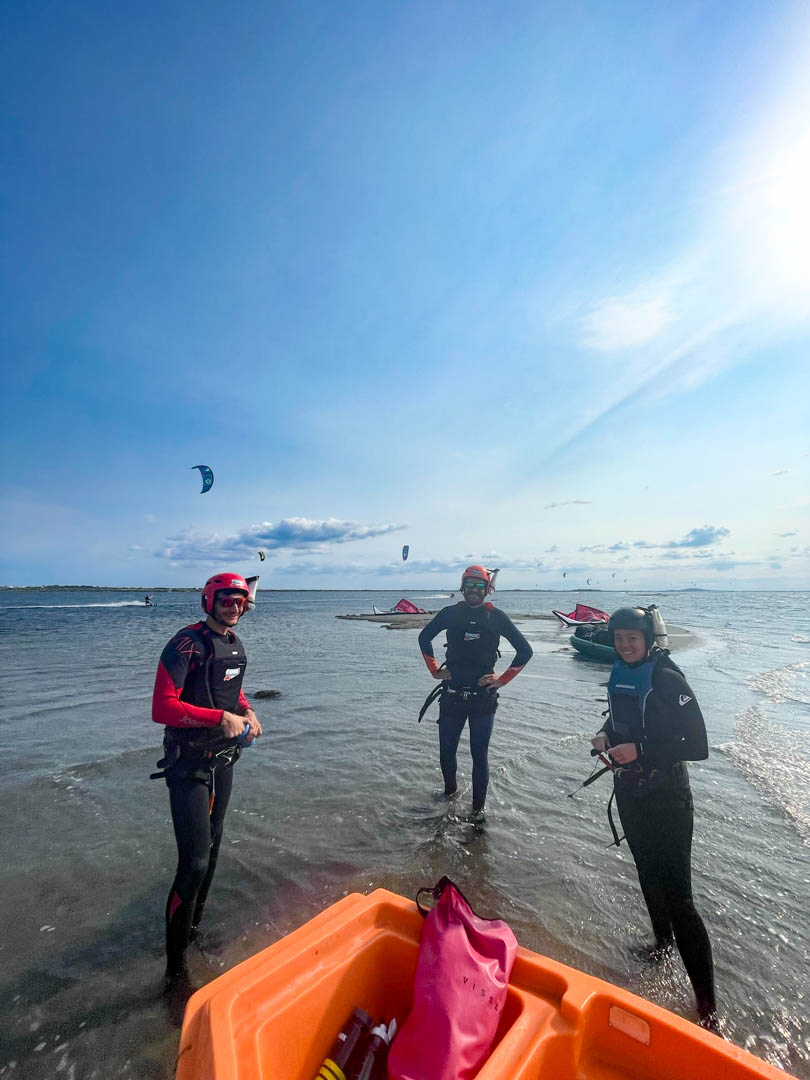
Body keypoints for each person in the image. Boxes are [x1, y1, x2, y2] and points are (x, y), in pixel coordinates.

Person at [591, 606, 717, 1027]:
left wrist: (642, 751)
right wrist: (605, 734)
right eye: (619, 638)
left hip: (668, 799)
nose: (625, 645)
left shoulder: (667, 678)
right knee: (646, 873)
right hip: (630, 792)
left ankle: (708, 1011)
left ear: (648, 639)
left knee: (680, 898)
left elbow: (698, 744)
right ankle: (660, 948)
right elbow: (620, 715)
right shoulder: (620, 671)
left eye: (633, 638)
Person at [151, 572, 262, 982]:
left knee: (214, 851)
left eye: (240, 600)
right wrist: (220, 718)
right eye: (226, 599)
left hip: (223, 759)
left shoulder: (234, 645)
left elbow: (229, 692)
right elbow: (163, 707)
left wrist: (247, 712)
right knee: (194, 862)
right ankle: (175, 969)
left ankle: (193, 931)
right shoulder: (186, 643)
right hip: (188, 764)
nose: (234, 606)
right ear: (208, 601)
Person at [417, 566, 533, 817]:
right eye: (469, 585)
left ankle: (478, 812)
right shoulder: (450, 614)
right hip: (452, 696)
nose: (473, 590)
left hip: (483, 699)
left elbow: (525, 651)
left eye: (479, 586)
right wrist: (434, 669)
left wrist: (502, 680)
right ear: (462, 587)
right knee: (446, 751)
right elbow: (424, 637)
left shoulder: (496, 617)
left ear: (487, 589)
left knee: (479, 754)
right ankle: (448, 799)